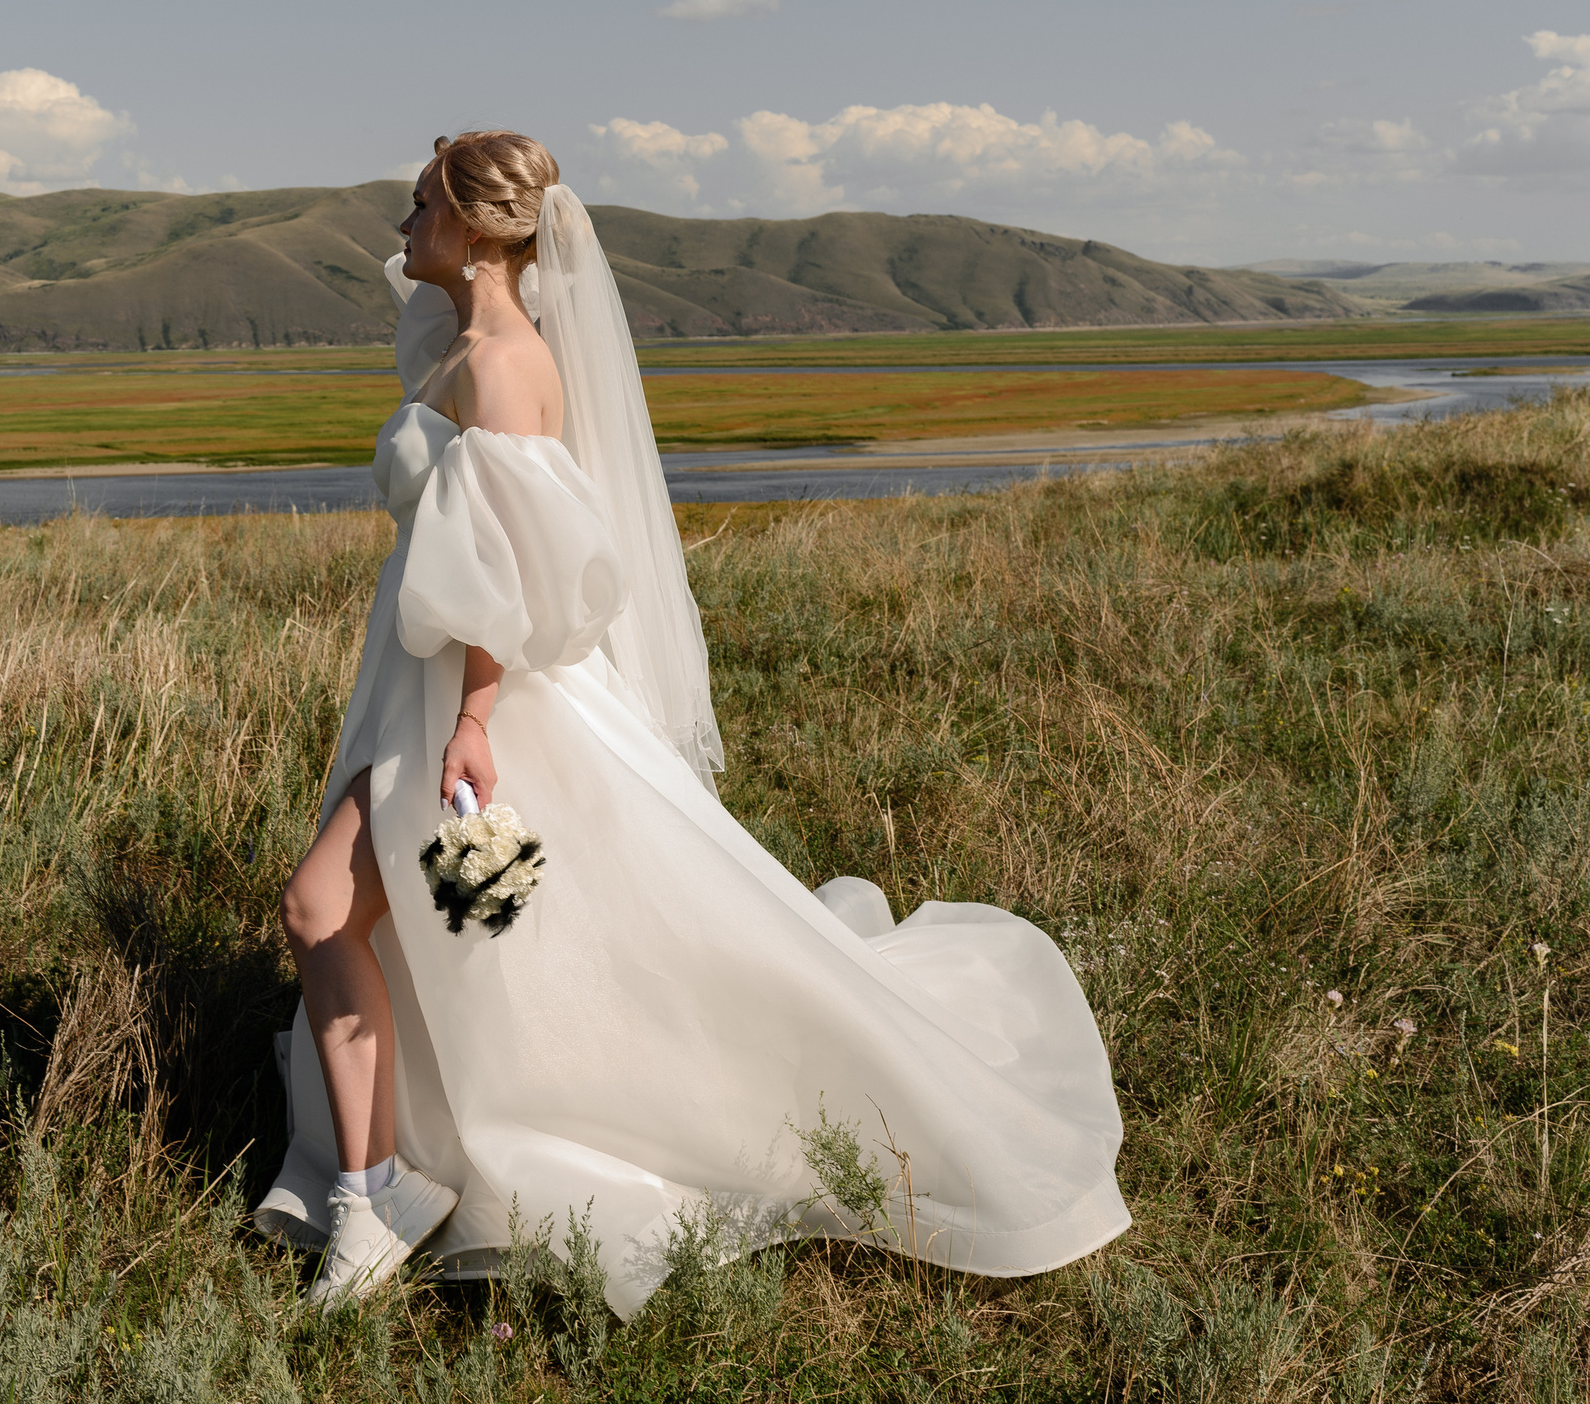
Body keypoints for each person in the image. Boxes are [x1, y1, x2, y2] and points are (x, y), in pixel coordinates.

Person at [259, 131, 1129, 1315]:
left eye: (418, 208)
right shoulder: (468, 343)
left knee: (347, 909)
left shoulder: (502, 363)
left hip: (483, 701)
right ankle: (383, 1179)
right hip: (436, 685)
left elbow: (519, 569)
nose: (399, 231)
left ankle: (380, 1191)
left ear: (471, 228)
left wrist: (471, 719)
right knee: (409, 922)